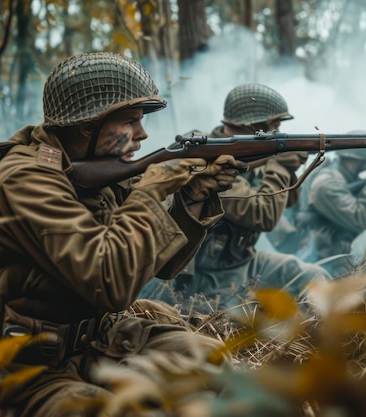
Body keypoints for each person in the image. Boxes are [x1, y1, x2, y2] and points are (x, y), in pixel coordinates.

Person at [0, 52, 248, 417]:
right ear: (87, 126)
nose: (142, 134)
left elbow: (160, 265)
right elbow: (110, 282)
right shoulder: (25, 181)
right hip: (12, 369)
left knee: (209, 361)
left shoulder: (100, 174)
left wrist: (191, 198)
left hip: (91, 342)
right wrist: (149, 193)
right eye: (130, 121)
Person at [139, 83, 331, 313]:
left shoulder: (252, 154)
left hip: (244, 262)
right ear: (255, 127)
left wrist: (286, 164)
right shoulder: (208, 159)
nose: (279, 132)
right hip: (203, 275)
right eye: (275, 126)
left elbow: (287, 201)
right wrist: (279, 166)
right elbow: (264, 216)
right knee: (238, 325)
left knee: (316, 277)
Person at [289, 146, 366, 276]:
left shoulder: (345, 179)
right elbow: (359, 218)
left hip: (335, 260)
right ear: (362, 155)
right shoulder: (327, 183)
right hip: (319, 263)